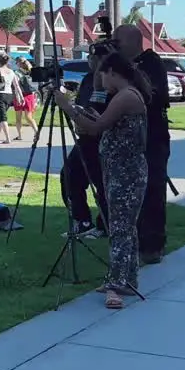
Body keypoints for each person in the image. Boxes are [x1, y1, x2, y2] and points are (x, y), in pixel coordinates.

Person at [53, 52, 149, 310]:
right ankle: (128, 278)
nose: (100, 81)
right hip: (120, 170)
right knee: (126, 227)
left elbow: (97, 127)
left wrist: (67, 107)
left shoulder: (126, 96)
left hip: (126, 173)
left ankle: (116, 284)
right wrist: (84, 114)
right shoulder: (125, 96)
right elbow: (104, 124)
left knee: (119, 228)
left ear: (112, 73)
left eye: (102, 75)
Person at [113, 25, 171, 264]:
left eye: (119, 42)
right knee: (130, 189)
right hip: (129, 136)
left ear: (134, 42)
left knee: (153, 187)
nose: (115, 46)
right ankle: (131, 239)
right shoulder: (118, 65)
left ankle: (153, 244)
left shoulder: (151, 62)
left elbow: (154, 95)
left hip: (154, 135)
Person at [60, 52, 108, 237]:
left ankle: (105, 224)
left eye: (97, 55)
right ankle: (82, 220)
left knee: (102, 182)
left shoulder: (112, 80)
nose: (91, 59)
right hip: (85, 137)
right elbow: (85, 105)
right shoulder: (89, 79)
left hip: (103, 140)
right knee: (69, 174)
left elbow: (99, 111)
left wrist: (70, 109)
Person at [0, 54, 22, 144]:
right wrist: (20, 96)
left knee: (3, 118)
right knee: (1, 116)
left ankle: (7, 139)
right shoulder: (11, 71)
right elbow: (16, 85)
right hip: (9, 95)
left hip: (0, 95)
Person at [12, 58, 39, 141]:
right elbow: (34, 86)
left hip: (19, 95)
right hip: (30, 95)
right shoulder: (32, 72)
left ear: (18, 63)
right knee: (29, 117)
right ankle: (36, 132)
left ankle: (20, 135)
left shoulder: (17, 73)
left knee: (18, 117)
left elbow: (16, 85)